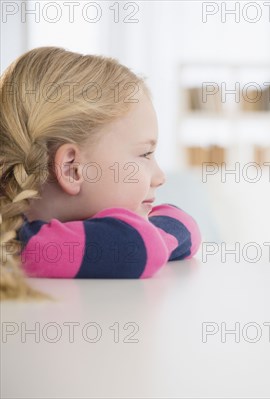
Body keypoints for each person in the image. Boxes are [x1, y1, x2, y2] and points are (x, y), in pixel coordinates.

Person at [0, 47, 201, 300]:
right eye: (145, 155)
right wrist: (154, 238)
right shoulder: (20, 246)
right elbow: (142, 245)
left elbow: (185, 225)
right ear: (72, 169)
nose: (160, 176)